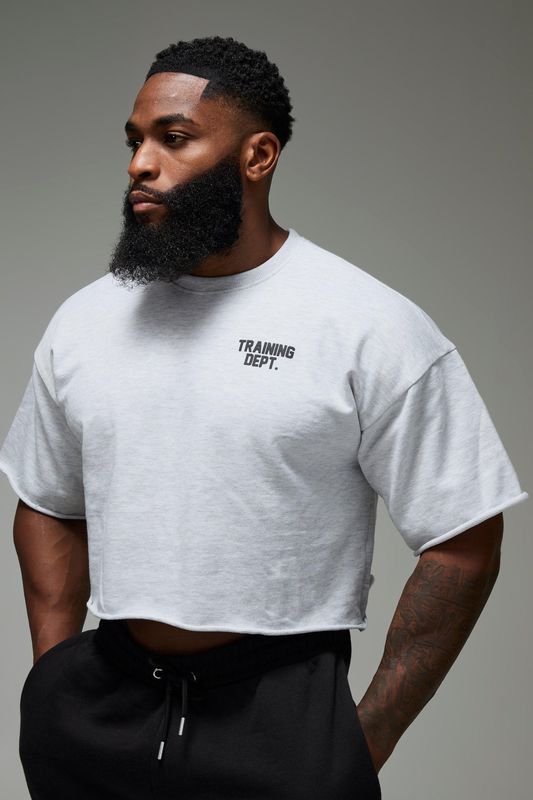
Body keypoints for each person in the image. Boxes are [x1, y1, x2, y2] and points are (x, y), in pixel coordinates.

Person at [0, 35, 528, 800]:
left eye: (174, 138)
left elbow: (464, 540)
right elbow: (47, 501)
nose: (140, 163)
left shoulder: (365, 324)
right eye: (135, 140)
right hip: (101, 708)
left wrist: (362, 741)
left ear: (257, 156)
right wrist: (51, 680)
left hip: (280, 717)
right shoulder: (86, 320)